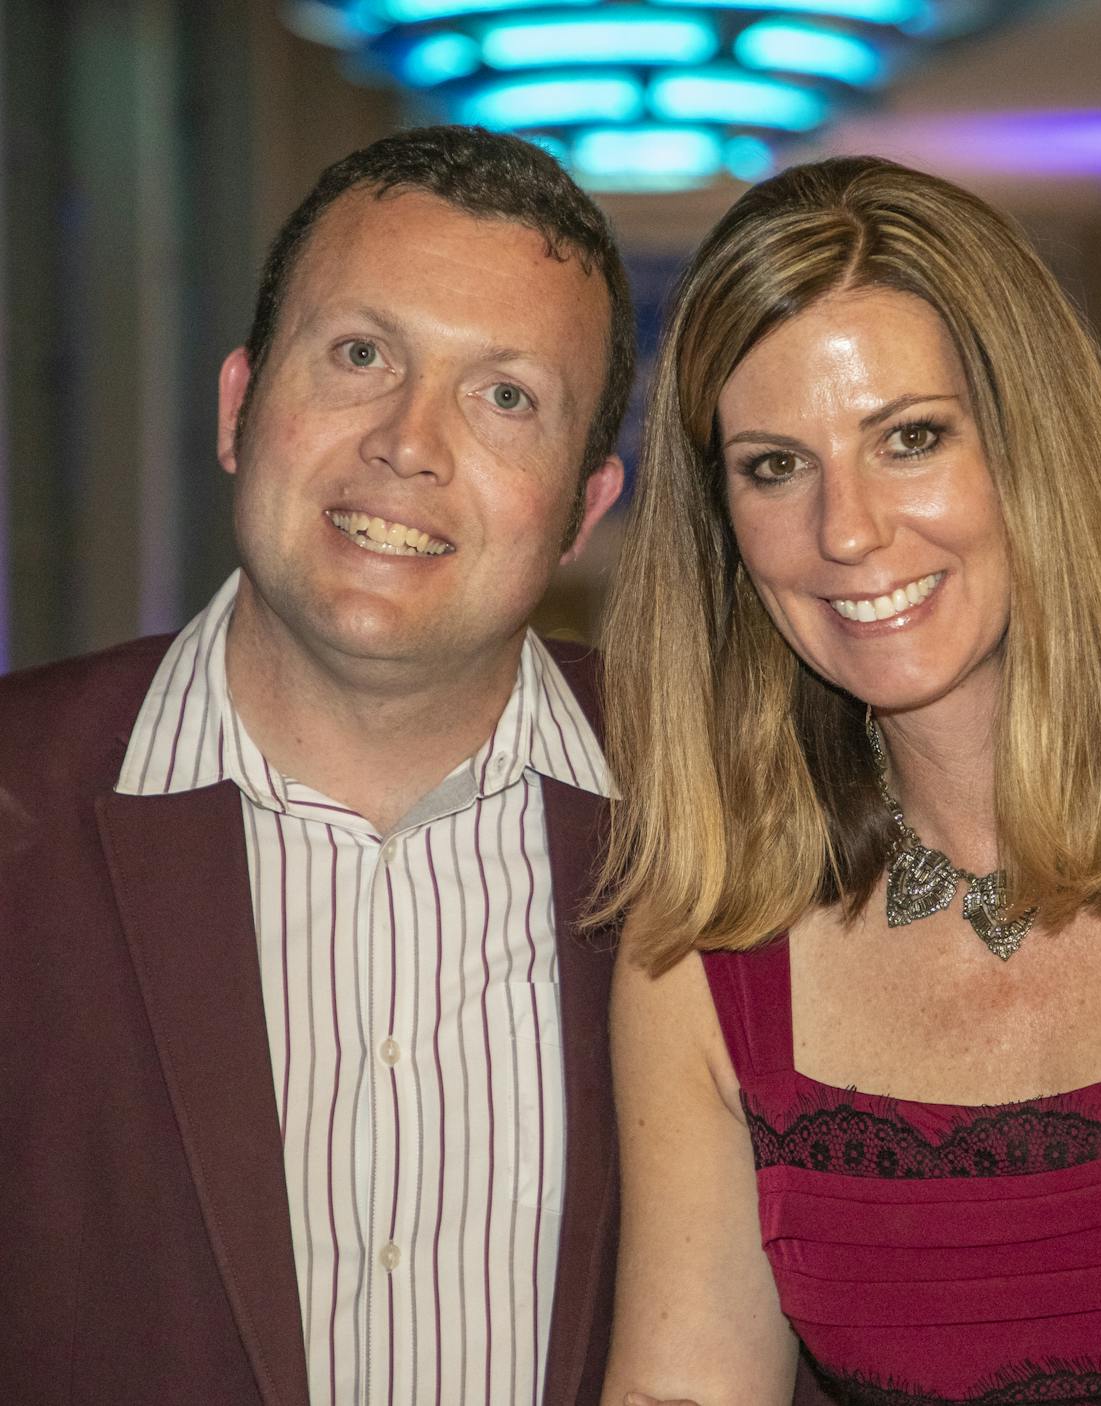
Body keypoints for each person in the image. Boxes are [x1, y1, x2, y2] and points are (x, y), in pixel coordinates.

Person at [596, 156, 1101, 1406]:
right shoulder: (704, 954)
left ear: (1029, 441)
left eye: (909, 438)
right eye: (774, 465)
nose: (848, 530)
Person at [0, 125, 633, 1406]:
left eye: (505, 394)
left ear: (582, 508)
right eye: (360, 354)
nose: (409, 440)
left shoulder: (750, 816)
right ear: (240, 405)